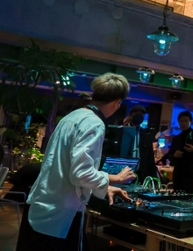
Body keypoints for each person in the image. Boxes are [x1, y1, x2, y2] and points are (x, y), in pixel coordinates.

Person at [16, 73, 136, 251]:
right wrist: (116, 178)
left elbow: (63, 167)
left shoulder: (72, 116)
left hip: (43, 205)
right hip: (61, 213)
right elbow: (81, 173)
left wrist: (104, 187)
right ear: (117, 102)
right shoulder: (94, 123)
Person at [167, 111, 193, 194]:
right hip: (178, 174)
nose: (183, 123)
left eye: (186, 121)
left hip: (192, 174)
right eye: (181, 121)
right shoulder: (176, 138)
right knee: (177, 198)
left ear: (190, 122)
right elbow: (169, 155)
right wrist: (174, 155)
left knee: (190, 197)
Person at [123, 105, 158, 183]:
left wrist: (153, 176)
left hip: (141, 172)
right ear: (130, 115)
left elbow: (150, 157)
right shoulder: (123, 130)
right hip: (124, 170)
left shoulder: (146, 134)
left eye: (141, 115)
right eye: (136, 114)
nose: (138, 117)